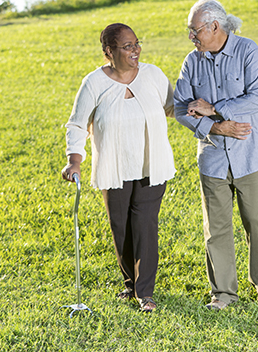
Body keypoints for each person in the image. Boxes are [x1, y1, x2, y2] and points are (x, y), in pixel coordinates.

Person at [174, 0, 258, 311]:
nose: (191, 38)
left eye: (194, 32)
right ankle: (223, 294)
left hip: (251, 154)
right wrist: (215, 127)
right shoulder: (191, 62)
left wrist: (215, 108)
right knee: (216, 228)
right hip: (213, 156)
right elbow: (181, 108)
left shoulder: (248, 51)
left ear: (214, 27)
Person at [61, 23, 176, 312]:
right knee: (121, 228)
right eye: (127, 46)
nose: (135, 50)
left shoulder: (153, 75)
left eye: (137, 43)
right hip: (114, 165)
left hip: (152, 163)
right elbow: (77, 123)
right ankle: (130, 284)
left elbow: (173, 106)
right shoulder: (94, 83)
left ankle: (145, 293)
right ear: (108, 52)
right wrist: (74, 160)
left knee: (145, 225)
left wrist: (204, 112)